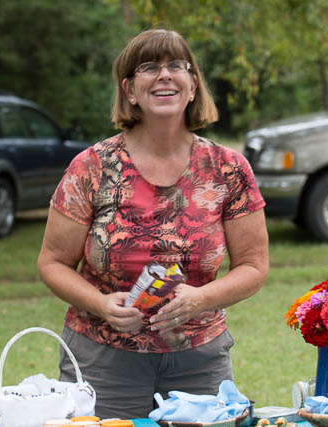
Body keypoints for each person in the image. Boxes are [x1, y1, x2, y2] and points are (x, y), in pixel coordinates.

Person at [37, 28, 268, 419]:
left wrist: (200, 299)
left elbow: (254, 266)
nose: (165, 75)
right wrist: (101, 303)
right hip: (103, 360)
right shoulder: (92, 166)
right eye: (149, 67)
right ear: (129, 90)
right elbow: (52, 262)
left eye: (177, 66)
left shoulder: (228, 168)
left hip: (199, 361)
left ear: (192, 86)